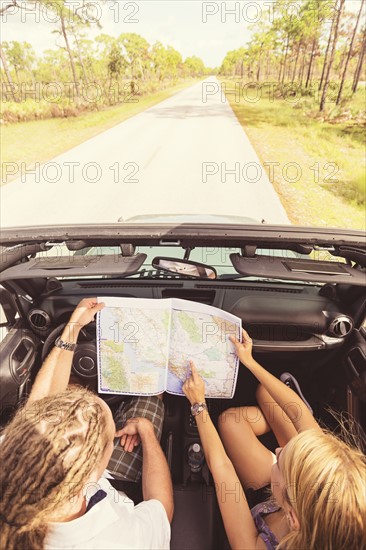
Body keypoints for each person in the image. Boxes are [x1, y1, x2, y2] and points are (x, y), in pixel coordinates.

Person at [0, 298, 173, 550]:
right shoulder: (127, 539)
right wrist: (147, 435)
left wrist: (73, 328)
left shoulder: (9, 459)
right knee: (151, 397)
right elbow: (161, 508)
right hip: (118, 490)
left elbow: (38, 410)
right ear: (95, 473)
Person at [183, 329, 366, 550]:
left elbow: (222, 467)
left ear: (293, 519)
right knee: (266, 393)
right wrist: (249, 362)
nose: (278, 450)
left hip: (267, 496)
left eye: (280, 461)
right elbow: (298, 412)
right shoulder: (327, 475)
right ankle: (279, 423)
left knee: (229, 421)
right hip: (285, 493)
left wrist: (198, 404)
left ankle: (277, 422)